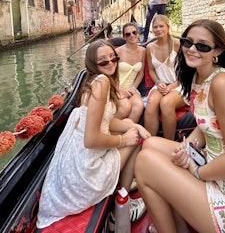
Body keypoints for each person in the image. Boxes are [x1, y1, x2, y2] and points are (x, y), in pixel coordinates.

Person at [135, 19, 225, 233]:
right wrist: (185, 149)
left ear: (217, 51)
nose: (192, 50)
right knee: (151, 145)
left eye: (202, 46)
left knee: (145, 162)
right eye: (187, 42)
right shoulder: (199, 76)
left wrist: (197, 171)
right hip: (215, 162)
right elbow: (205, 127)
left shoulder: (222, 84)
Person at [36, 39, 151, 229]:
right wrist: (125, 139)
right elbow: (91, 140)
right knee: (134, 140)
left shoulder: (91, 82)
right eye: (103, 61)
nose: (111, 64)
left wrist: (135, 127)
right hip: (85, 175)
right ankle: (120, 207)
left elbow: (105, 120)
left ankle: (123, 185)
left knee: (131, 125)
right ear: (93, 64)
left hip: (75, 166)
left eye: (113, 59)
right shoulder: (102, 82)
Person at [144, 14, 186, 140]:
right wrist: (157, 82)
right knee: (151, 103)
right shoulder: (149, 48)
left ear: (167, 27)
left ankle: (168, 144)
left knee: (166, 103)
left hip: (179, 84)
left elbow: (185, 72)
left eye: (161, 26)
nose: (158, 29)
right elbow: (151, 71)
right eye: (155, 27)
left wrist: (171, 87)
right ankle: (149, 141)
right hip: (161, 85)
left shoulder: (177, 44)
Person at [115, 23, 146, 123]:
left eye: (134, 32)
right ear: (124, 37)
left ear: (138, 33)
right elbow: (110, 74)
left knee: (139, 105)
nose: (132, 35)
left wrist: (133, 88)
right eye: (128, 34)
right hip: (116, 86)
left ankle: (128, 132)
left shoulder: (143, 51)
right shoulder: (118, 51)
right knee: (125, 106)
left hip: (132, 88)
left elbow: (140, 73)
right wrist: (119, 89)